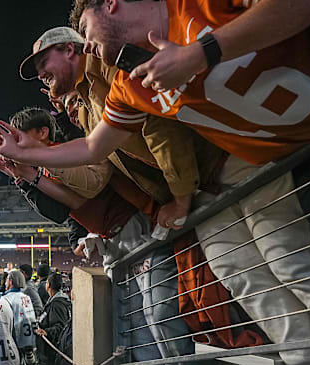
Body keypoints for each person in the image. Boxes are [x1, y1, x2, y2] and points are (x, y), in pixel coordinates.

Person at [0, 0, 310, 365]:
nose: (86, 43)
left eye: (84, 29)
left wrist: (203, 52)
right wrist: (33, 155)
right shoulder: (129, 80)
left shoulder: (180, 17)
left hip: (284, 144)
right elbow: (96, 147)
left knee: (291, 261)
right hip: (242, 161)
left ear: (110, 5)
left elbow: (161, 139)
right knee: (240, 272)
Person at [18, 26, 225, 229]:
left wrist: (181, 195)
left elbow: (160, 125)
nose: (41, 74)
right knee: (232, 260)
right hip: (191, 188)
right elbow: (96, 172)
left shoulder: (108, 65)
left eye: (44, 62)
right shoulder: (86, 107)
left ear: (69, 50)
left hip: (214, 168)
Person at [35, 272, 71, 365]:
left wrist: (45, 331)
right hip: (52, 355)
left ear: (48, 285)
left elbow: (61, 326)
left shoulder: (57, 304)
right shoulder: (57, 302)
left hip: (53, 355)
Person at [3, 270, 37, 365]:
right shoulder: (26, 297)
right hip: (26, 341)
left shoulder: (7, 299)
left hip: (13, 341)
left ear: (11, 281)